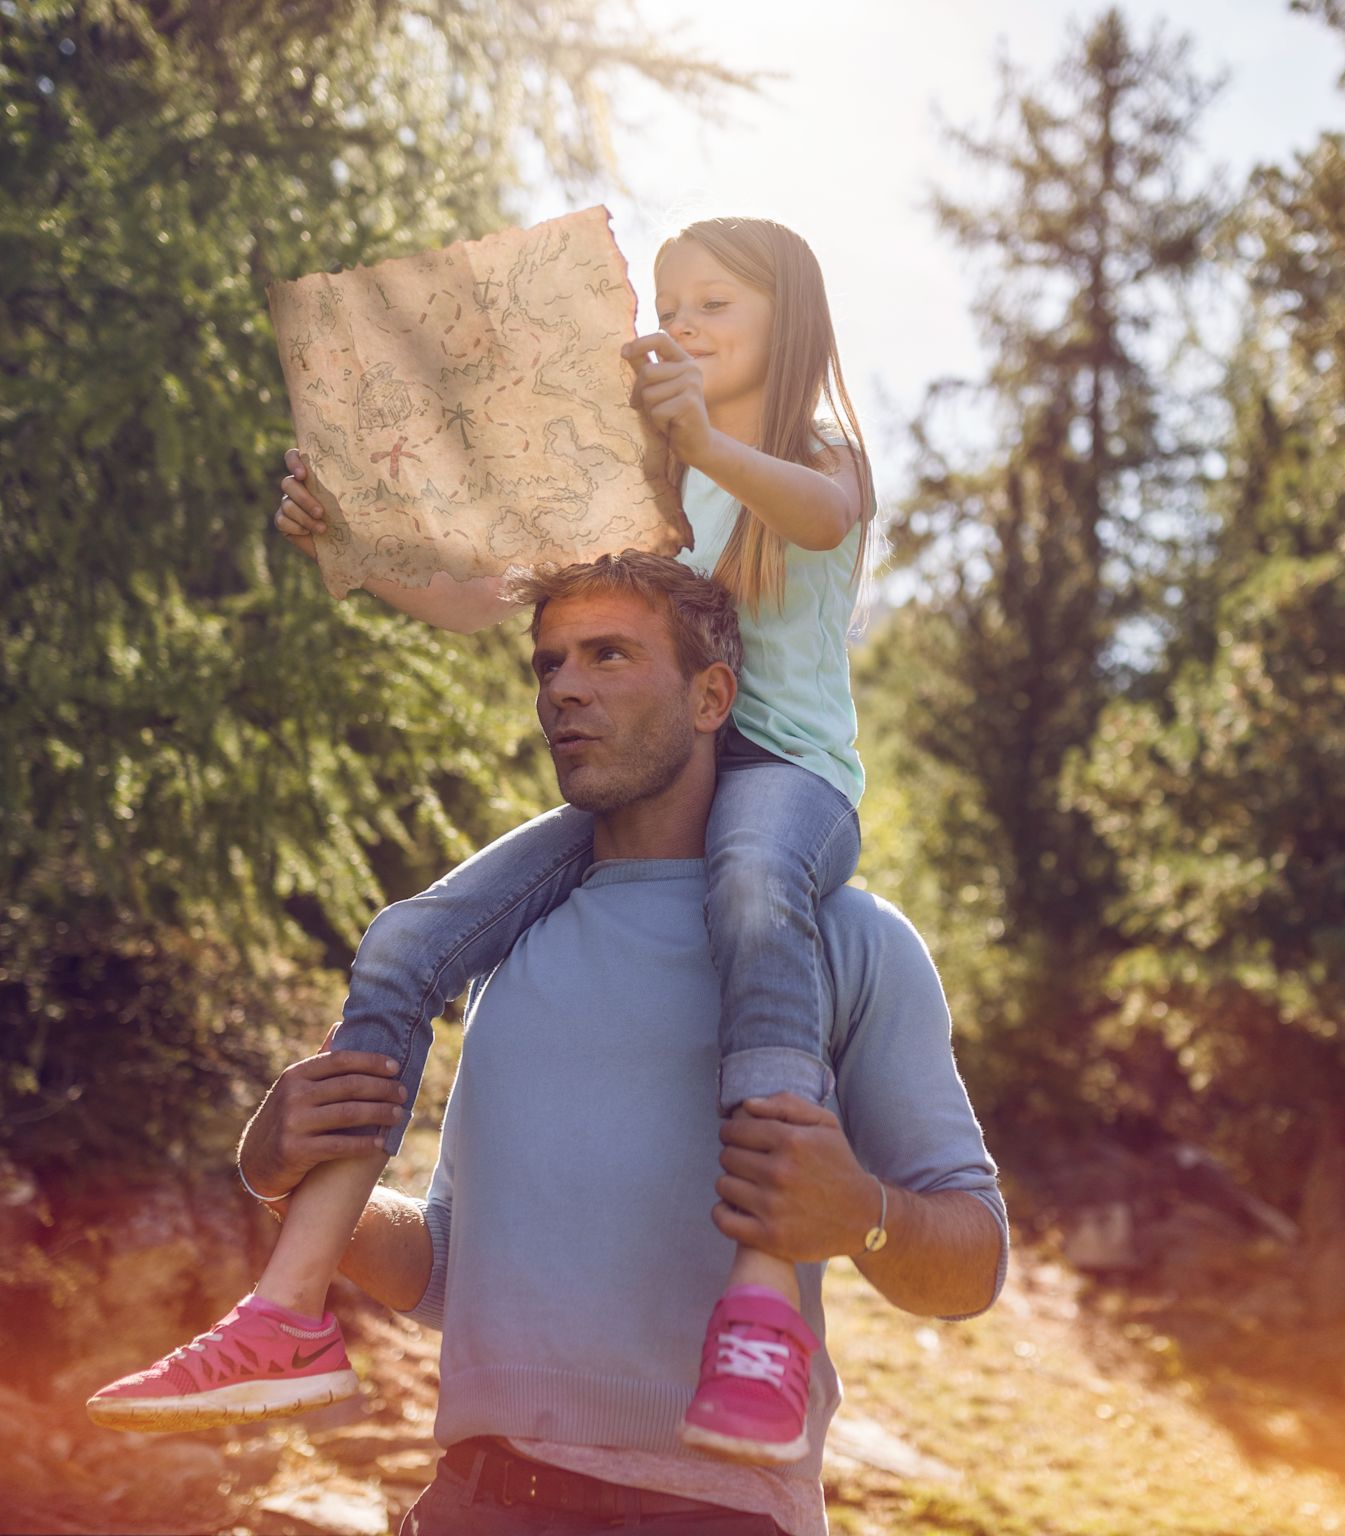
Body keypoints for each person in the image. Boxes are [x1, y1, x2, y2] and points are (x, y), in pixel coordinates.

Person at [91, 216, 881, 1462]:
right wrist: (350, 541)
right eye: (670, 302)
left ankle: (763, 1315)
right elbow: (487, 595)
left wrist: (706, 439)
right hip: (662, 780)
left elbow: (826, 518)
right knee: (413, 939)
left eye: (716, 303)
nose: (682, 320)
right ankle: (287, 1315)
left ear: (793, 325)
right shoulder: (651, 482)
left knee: (747, 896)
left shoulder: (806, 453)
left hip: (787, 785)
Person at [233, 553, 1006, 1535]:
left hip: (722, 1514)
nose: (566, 690)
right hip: (480, 1503)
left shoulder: (848, 940)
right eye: (549, 665)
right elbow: (442, 1268)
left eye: (608, 655)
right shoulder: (504, 954)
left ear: (711, 696)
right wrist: (282, 1175)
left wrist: (864, 1214)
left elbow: (973, 1264)